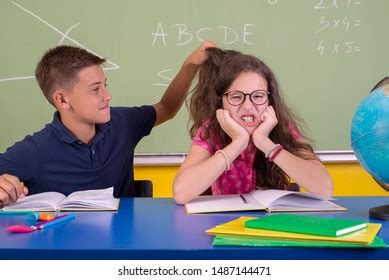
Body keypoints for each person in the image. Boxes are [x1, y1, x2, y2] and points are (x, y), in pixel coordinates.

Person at [0, 41, 216, 208]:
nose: (108, 96)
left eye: (105, 86)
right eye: (95, 89)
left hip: (122, 246)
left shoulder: (122, 123)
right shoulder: (35, 150)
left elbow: (166, 108)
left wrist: (190, 65)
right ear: (62, 100)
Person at [173, 48, 334, 204]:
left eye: (258, 96)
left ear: (270, 101)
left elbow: (324, 188)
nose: (248, 106)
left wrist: (264, 142)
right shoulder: (211, 130)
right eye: (236, 97)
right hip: (223, 221)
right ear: (220, 101)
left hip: (270, 224)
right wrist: (238, 142)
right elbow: (181, 193)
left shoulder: (282, 127)